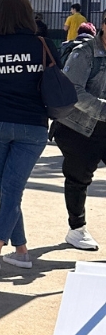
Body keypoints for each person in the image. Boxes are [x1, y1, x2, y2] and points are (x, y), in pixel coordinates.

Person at [0, 0, 49, 273]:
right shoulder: (42, 45)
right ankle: (19, 251)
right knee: (11, 190)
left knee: (7, 190)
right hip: (33, 124)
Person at [51, 23, 105, 252]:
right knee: (79, 178)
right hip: (78, 127)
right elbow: (72, 90)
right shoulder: (84, 53)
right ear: (104, 26)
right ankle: (76, 229)